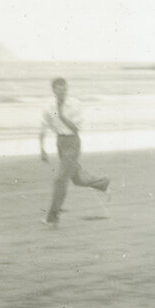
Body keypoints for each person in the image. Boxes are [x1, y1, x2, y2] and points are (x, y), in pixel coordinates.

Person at [39, 77, 110, 227]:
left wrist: (61, 115)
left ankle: (53, 217)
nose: (63, 91)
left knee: (60, 180)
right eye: (59, 89)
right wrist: (42, 149)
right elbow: (43, 126)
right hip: (60, 143)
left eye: (65, 88)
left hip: (73, 142)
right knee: (77, 179)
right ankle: (103, 183)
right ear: (54, 90)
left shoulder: (75, 104)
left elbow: (76, 128)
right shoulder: (49, 107)